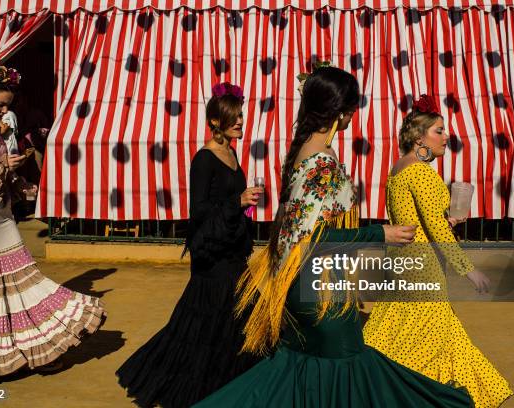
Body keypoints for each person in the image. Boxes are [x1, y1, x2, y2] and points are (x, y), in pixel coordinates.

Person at [193, 67, 473, 407]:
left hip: (298, 285)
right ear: (341, 112)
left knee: (297, 378)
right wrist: (378, 232)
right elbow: (315, 235)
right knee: (345, 374)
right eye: (351, 107)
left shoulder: (301, 153)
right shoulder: (323, 162)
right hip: (322, 290)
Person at [0, 66, 105, 381]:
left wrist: (15, 174)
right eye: (0, 104)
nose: (5, 110)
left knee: (18, 282)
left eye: (8, 104)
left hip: (1, 215)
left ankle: (34, 350)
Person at [116, 82, 262, 407]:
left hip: (231, 248)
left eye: (240, 116)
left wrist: (242, 206)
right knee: (204, 324)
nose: (240, 122)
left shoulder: (232, 153)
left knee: (232, 320)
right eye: (234, 117)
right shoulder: (204, 159)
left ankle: (235, 384)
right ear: (215, 122)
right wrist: (236, 201)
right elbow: (198, 211)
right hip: (211, 256)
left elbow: (224, 202)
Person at [362, 95, 513, 407]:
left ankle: (381, 387)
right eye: (440, 131)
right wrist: (467, 268)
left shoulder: (399, 168)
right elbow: (436, 229)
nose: (447, 136)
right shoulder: (421, 172)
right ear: (420, 137)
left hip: (402, 264)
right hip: (422, 268)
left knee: (398, 333)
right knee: (434, 340)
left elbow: (420, 220)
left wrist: (444, 219)